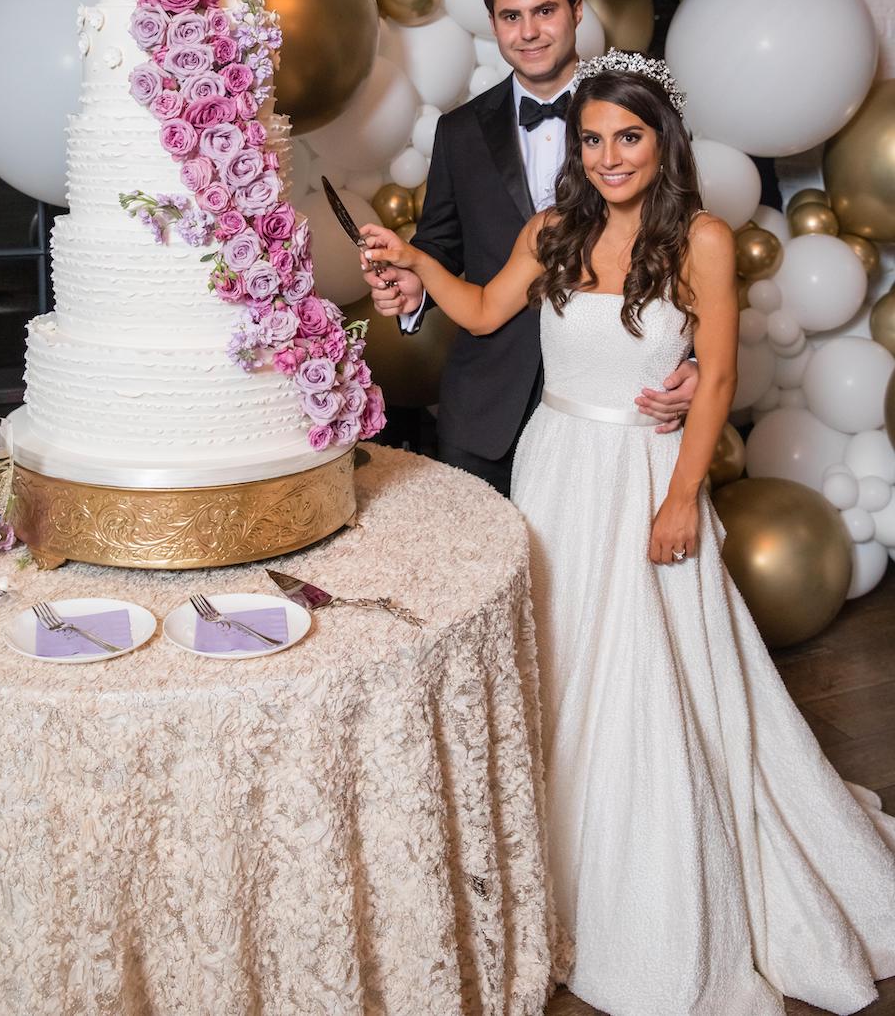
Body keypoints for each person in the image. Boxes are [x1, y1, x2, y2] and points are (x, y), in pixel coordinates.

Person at [359, 54, 895, 1016]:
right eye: (593, 137)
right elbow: (482, 310)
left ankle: (648, 891)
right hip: (555, 466)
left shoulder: (701, 239)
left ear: (663, 143)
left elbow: (720, 378)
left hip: (646, 474)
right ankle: (546, 870)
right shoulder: (551, 229)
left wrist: (684, 495)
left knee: (651, 670)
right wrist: (413, 260)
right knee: (558, 662)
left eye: (629, 137)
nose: (609, 156)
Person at [363, 0, 698, 497]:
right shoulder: (460, 131)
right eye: (510, 17)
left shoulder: (634, 118)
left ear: (577, 11)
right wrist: (413, 285)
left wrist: (698, 365)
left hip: (611, 401)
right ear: (494, 25)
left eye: (545, 10)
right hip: (486, 405)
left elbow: (684, 245)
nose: (529, 31)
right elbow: (439, 245)